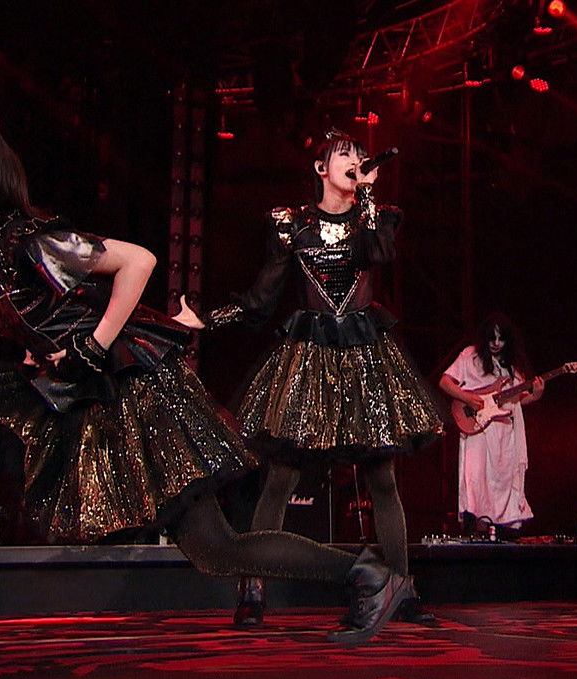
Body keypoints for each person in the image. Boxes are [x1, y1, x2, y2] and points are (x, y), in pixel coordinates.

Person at [0, 107, 399, 655]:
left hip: (134, 400)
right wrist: (43, 357)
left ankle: (367, 573)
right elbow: (37, 320)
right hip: (75, 399)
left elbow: (138, 260)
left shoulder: (28, 243)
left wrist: (93, 344)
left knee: (215, 551)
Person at [173, 129, 443, 638]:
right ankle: (252, 590)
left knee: (382, 478)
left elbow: (378, 254)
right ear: (321, 168)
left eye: (361, 158)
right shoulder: (291, 225)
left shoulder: (375, 219)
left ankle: (401, 589)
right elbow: (260, 298)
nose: (355, 161)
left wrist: (366, 195)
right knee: (280, 477)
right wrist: (207, 320)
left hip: (365, 356)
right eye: (344, 155)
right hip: (310, 357)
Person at [439, 313, 544, 537]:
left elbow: (518, 399)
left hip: (505, 433)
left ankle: (505, 532)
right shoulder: (470, 356)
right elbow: (445, 382)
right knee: (478, 480)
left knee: (504, 481)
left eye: (501, 339)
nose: (496, 344)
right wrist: (467, 398)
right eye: (492, 338)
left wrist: (536, 395)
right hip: (478, 427)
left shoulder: (511, 368)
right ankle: (479, 530)